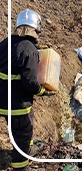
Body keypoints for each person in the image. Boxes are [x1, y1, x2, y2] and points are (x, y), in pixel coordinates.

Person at [1, 10, 54, 170]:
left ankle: (28, 148)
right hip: (17, 105)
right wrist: (42, 92)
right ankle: (21, 165)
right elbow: (30, 82)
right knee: (22, 137)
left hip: (3, 100)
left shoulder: (5, 43)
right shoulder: (29, 49)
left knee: (27, 125)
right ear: (36, 28)